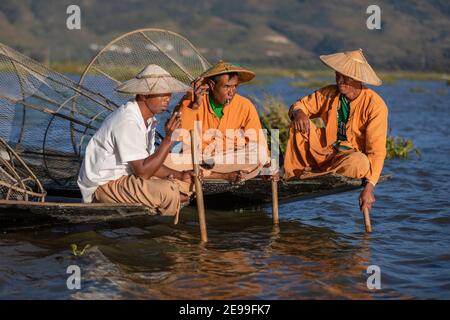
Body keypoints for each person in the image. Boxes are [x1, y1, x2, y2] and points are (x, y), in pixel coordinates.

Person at [77, 64, 197, 217]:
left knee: (187, 185)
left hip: (128, 178)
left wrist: (180, 175)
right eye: (162, 93)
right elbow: (143, 173)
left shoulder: (148, 120)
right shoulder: (128, 120)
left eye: (169, 93)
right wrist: (168, 140)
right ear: (143, 95)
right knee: (170, 192)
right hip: (104, 186)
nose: (168, 98)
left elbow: (149, 164)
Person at [284, 49, 388, 211]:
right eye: (337, 75)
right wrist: (299, 113)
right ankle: (303, 171)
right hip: (324, 151)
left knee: (360, 163)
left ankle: (316, 173)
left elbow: (377, 151)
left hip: (347, 158)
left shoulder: (375, 106)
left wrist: (369, 189)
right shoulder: (329, 92)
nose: (339, 80)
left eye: (344, 77)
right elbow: (300, 105)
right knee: (299, 126)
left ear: (357, 79)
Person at [164, 60, 273, 182]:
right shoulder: (191, 99)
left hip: (226, 160)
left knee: (260, 154)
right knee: (166, 162)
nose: (231, 92)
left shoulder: (245, 105)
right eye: (226, 86)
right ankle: (216, 175)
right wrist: (194, 106)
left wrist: (268, 168)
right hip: (197, 159)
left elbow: (258, 141)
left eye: (235, 86)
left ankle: (208, 171)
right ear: (211, 84)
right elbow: (178, 135)